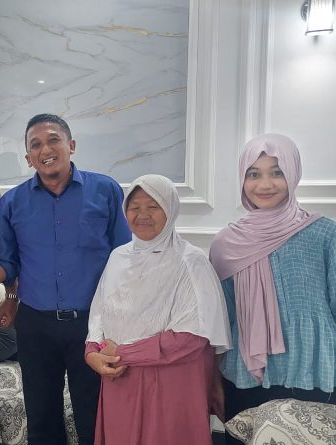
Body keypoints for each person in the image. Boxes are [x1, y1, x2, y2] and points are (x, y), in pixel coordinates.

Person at [0, 114, 131, 445]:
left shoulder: (105, 191)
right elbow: (7, 263)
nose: (45, 150)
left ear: (71, 145)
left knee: (95, 417)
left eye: (53, 140)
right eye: (36, 145)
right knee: (42, 417)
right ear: (28, 157)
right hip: (35, 325)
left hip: (93, 324)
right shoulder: (12, 203)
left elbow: (125, 258)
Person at [209, 134, 336, 444]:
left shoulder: (328, 235)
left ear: (292, 173)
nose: (264, 184)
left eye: (276, 172)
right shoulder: (226, 244)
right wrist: (214, 385)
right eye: (254, 174)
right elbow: (220, 328)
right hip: (244, 380)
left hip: (312, 376)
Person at [84, 174, 231, 445]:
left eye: (153, 206)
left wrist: (123, 353)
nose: (142, 215)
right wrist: (92, 351)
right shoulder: (118, 257)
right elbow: (98, 314)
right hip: (120, 379)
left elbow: (192, 338)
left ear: (170, 209)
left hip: (170, 383)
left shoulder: (190, 261)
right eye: (134, 207)